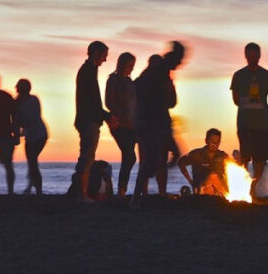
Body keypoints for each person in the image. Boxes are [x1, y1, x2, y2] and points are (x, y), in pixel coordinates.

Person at [132, 41, 186, 201]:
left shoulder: (154, 74)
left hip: (155, 121)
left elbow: (169, 101)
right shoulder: (159, 72)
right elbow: (169, 101)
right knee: (153, 161)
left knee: (163, 157)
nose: (181, 64)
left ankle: (143, 193)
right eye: (180, 60)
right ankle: (138, 196)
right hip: (153, 122)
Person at [72, 41, 113, 203]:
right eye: (104, 56)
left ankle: (82, 193)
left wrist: (104, 115)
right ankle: (81, 195)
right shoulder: (88, 71)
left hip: (88, 118)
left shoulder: (89, 70)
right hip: (88, 120)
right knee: (87, 157)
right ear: (96, 53)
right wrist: (106, 116)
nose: (105, 60)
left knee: (87, 156)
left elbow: (93, 101)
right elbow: (92, 101)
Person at [230, 42, 268, 182]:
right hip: (244, 124)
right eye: (249, 55)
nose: (252, 58)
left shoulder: (267, 76)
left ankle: (255, 188)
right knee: (244, 157)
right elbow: (236, 99)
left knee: (260, 158)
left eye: (255, 56)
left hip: (261, 125)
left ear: (259, 56)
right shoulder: (238, 75)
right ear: (245, 56)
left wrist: (263, 113)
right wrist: (249, 107)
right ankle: (244, 186)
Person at [105, 52, 138, 196]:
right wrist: (121, 112)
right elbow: (108, 102)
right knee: (129, 156)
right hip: (120, 124)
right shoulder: (113, 80)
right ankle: (121, 191)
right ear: (122, 64)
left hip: (133, 124)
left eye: (132, 66)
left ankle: (123, 191)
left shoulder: (131, 83)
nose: (131, 68)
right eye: (129, 65)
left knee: (129, 157)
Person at [15, 78, 48, 195]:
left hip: (39, 134)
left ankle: (38, 190)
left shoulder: (33, 100)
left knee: (32, 161)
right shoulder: (17, 102)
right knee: (32, 161)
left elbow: (33, 117)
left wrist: (20, 131)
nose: (16, 88)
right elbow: (17, 121)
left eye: (18, 86)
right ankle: (30, 187)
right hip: (30, 135)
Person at [177, 128, 229, 197]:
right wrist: (191, 182)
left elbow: (234, 168)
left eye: (218, 141)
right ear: (206, 141)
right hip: (202, 189)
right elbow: (181, 162)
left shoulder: (223, 156)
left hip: (220, 191)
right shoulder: (196, 154)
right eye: (212, 141)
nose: (215, 144)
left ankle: (227, 197)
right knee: (213, 176)